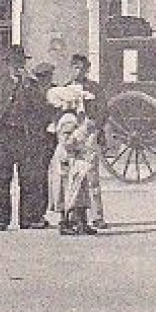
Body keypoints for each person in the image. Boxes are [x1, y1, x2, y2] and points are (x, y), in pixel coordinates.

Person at [0, 45, 37, 231]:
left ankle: (26, 219)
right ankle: (2, 219)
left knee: (27, 179)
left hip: (24, 135)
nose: (17, 67)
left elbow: (37, 109)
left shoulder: (30, 84)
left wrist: (29, 85)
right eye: (14, 63)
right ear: (7, 64)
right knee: (3, 180)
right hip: (4, 136)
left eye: (20, 63)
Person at [47, 84, 99, 236]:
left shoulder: (71, 117)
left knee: (79, 190)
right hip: (68, 158)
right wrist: (82, 132)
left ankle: (81, 222)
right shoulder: (68, 119)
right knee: (68, 190)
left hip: (74, 158)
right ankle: (66, 223)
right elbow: (67, 142)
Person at [67, 54, 107, 229]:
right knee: (73, 177)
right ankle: (74, 215)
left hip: (90, 134)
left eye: (82, 68)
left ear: (87, 69)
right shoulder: (66, 89)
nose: (79, 71)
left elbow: (103, 111)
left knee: (92, 176)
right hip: (73, 135)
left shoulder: (94, 89)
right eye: (75, 67)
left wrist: (96, 127)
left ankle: (97, 216)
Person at [17, 61, 58, 229]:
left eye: (48, 76)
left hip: (47, 139)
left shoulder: (53, 90)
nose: (47, 80)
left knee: (41, 178)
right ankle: (29, 217)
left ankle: (37, 215)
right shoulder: (30, 93)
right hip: (32, 139)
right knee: (32, 179)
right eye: (44, 77)